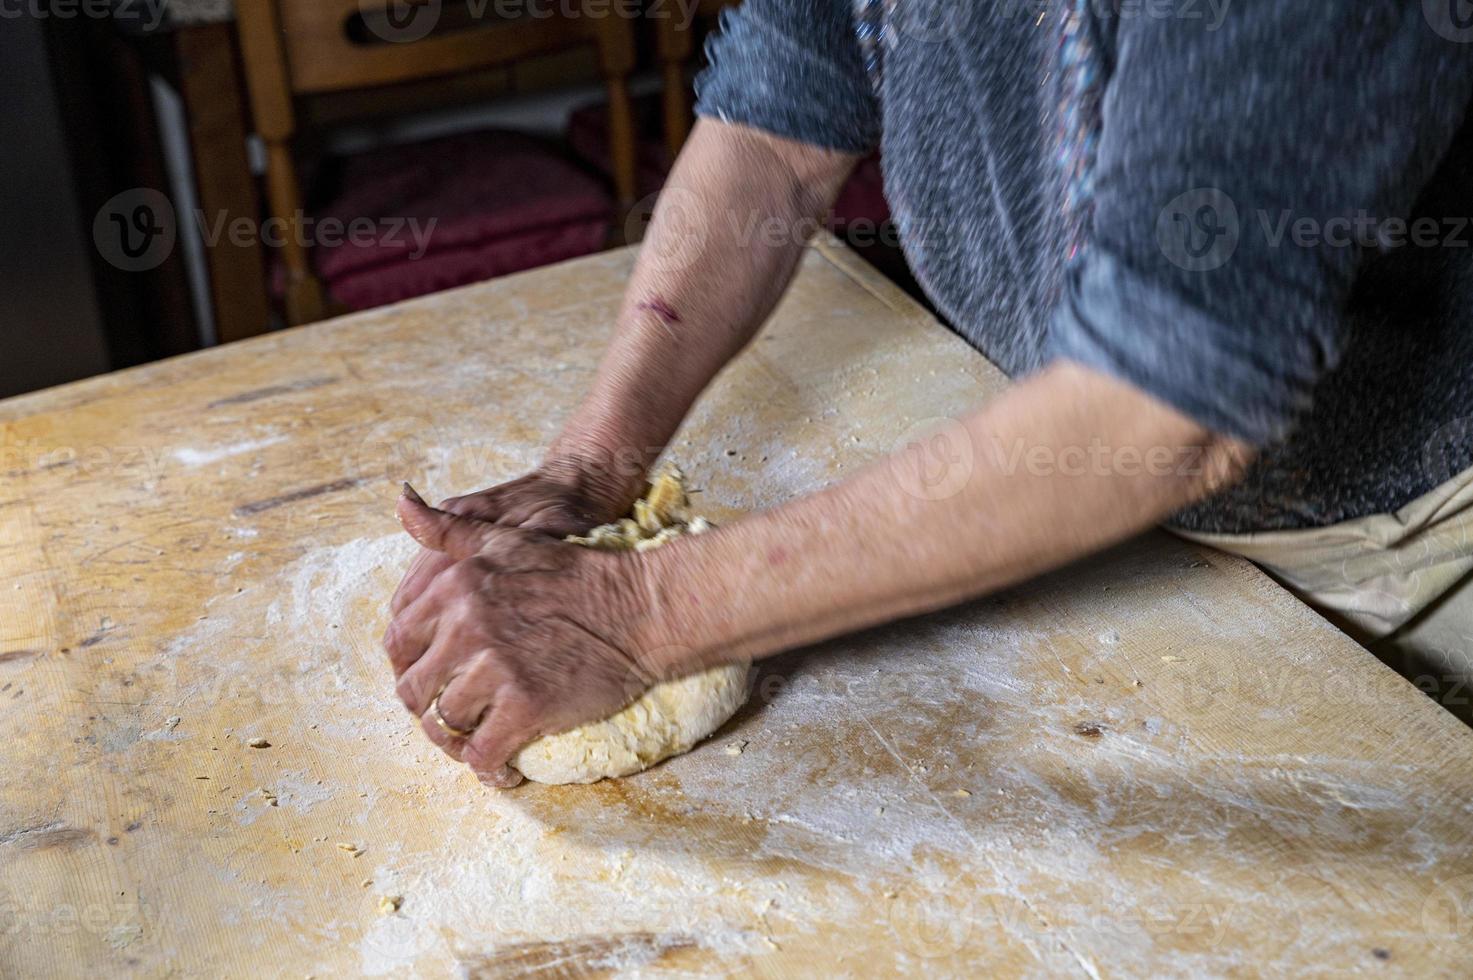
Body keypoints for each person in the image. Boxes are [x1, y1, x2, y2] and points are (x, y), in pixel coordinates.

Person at [383, 1, 1473, 785]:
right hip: (1079, 477)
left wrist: (641, 614)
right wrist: (594, 461)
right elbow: (771, 138)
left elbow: (1166, 406)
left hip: (1395, 541)